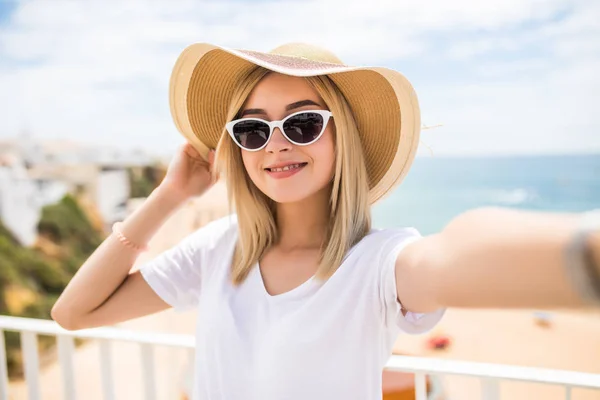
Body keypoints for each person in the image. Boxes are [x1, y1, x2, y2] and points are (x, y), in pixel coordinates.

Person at [51, 42, 600, 400]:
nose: (276, 143)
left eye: (304, 122)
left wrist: (585, 250)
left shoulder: (379, 264)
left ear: (344, 139)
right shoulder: (219, 248)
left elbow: (453, 254)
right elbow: (74, 312)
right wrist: (170, 194)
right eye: (252, 129)